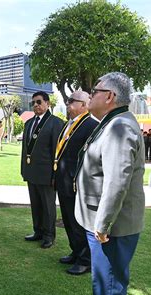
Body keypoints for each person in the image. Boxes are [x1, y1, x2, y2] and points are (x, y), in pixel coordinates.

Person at [74, 72, 145, 295]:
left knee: (111, 280)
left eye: (95, 91)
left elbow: (116, 182)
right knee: (104, 279)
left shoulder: (120, 127)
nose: (90, 94)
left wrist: (103, 225)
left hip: (112, 227)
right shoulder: (113, 122)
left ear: (110, 96)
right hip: (105, 223)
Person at [54, 91, 98, 275]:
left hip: (76, 183)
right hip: (63, 181)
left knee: (78, 222)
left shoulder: (91, 125)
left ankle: (85, 260)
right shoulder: (68, 124)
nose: (68, 104)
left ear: (84, 105)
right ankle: (75, 251)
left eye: (72, 101)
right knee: (68, 220)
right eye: (68, 100)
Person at [21, 91, 64, 249]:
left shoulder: (55, 123)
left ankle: (49, 235)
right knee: (35, 204)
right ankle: (37, 231)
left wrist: (55, 175)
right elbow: (25, 150)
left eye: (39, 102)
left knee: (48, 206)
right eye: (33, 103)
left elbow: (57, 152)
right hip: (31, 172)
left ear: (47, 103)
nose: (36, 105)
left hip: (47, 174)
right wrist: (23, 170)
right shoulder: (28, 123)